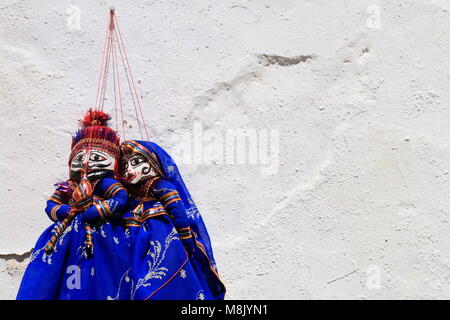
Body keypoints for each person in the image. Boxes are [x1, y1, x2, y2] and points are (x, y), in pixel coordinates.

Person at [17, 110, 131, 300]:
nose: (85, 162)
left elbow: (120, 198)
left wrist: (97, 211)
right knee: (60, 275)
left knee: (99, 275)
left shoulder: (104, 183)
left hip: (101, 236)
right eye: (79, 159)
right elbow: (52, 203)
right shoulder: (70, 186)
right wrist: (62, 210)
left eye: (95, 158)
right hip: (65, 236)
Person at [119, 140, 226, 300]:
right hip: (144, 244)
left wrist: (186, 239)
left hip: (167, 241)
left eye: (135, 163)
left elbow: (177, 210)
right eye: (125, 165)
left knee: (170, 278)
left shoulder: (159, 185)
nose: (129, 170)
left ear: (153, 162)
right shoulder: (139, 193)